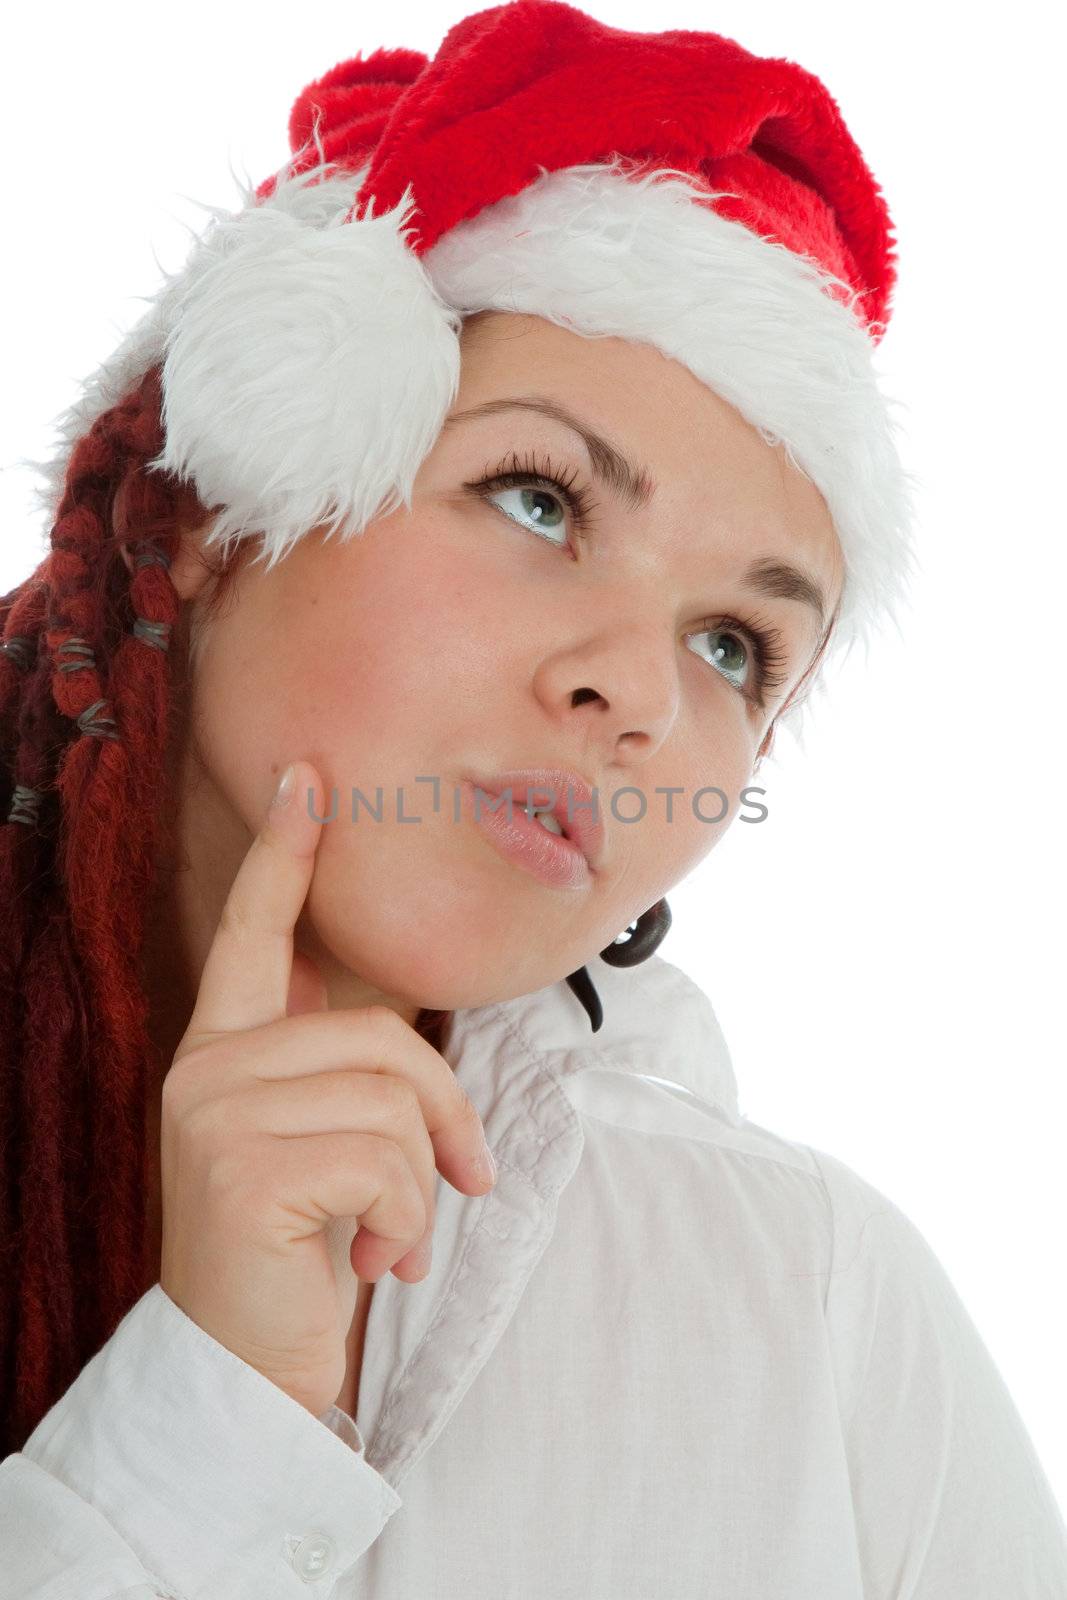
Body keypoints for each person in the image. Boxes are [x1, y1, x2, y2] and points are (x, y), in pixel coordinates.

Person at [1, 2, 1065, 1595]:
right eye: (537, 497)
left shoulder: (820, 1307)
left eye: (735, 643)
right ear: (218, 514)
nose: (638, 694)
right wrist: (209, 1422)